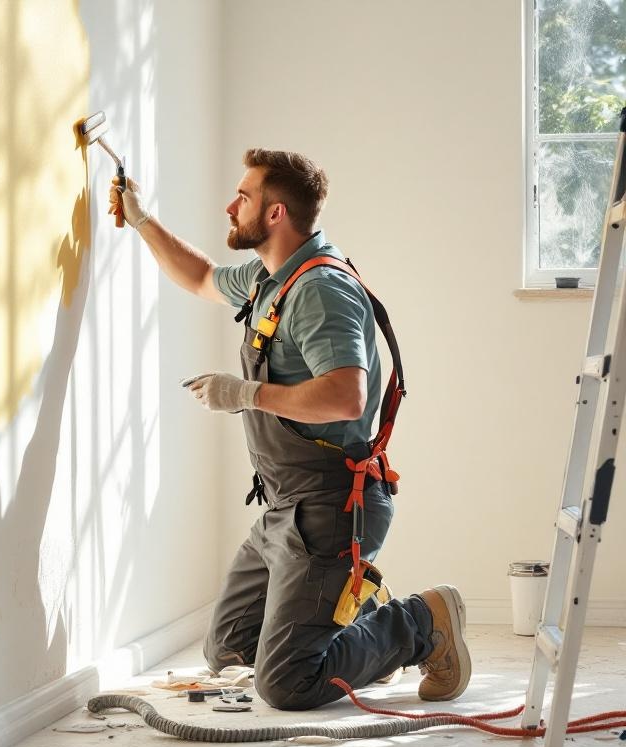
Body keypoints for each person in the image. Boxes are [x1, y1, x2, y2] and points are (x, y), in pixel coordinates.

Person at [109, 149, 471, 710]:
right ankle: (360, 624)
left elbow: (346, 395)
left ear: (276, 213)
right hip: (287, 507)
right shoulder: (271, 278)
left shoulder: (318, 290)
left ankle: (419, 623)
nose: (230, 206)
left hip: (331, 506)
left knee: (285, 685)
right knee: (230, 648)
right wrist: (139, 219)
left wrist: (245, 392)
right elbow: (202, 276)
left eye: (244, 196)